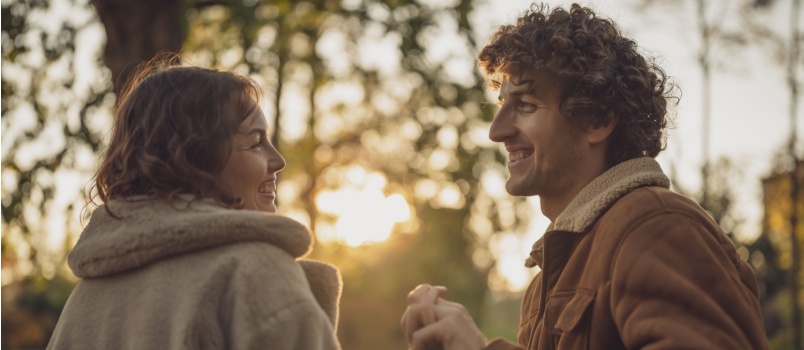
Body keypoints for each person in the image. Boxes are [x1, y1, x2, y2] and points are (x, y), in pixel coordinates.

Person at [401, 3, 768, 350]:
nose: (497, 132)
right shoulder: (544, 284)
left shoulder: (656, 227)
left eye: (526, 106)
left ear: (598, 119)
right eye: (502, 106)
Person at [48, 59, 342, 349]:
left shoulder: (83, 303)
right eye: (255, 143)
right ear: (194, 158)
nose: (278, 161)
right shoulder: (254, 274)